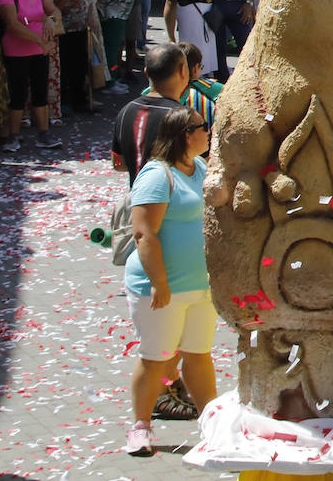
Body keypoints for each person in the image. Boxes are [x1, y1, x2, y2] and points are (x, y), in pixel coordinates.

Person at [122, 105, 217, 457]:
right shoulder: (158, 175)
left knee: (198, 355)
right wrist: (160, 283)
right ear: (186, 135)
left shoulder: (200, 167)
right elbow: (144, 233)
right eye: (203, 126)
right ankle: (140, 427)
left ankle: (212, 425)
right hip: (162, 288)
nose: (208, 132)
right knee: (157, 358)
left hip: (199, 286)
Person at [0, 0, 63, 152]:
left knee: (40, 92)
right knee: (18, 93)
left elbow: (54, 11)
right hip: (17, 50)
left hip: (39, 50)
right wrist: (39, 41)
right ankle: (13, 135)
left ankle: (44, 133)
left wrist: (50, 20)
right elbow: (12, 24)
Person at [112, 43, 189, 185]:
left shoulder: (125, 111)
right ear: (183, 71)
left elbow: (118, 164)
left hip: (137, 195)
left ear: (146, 72)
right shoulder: (186, 118)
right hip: (174, 197)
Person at [51, 0, 97, 115]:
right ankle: (65, 100)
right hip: (65, 24)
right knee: (66, 62)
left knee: (80, 63)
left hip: (81, 23)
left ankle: (81, 99)